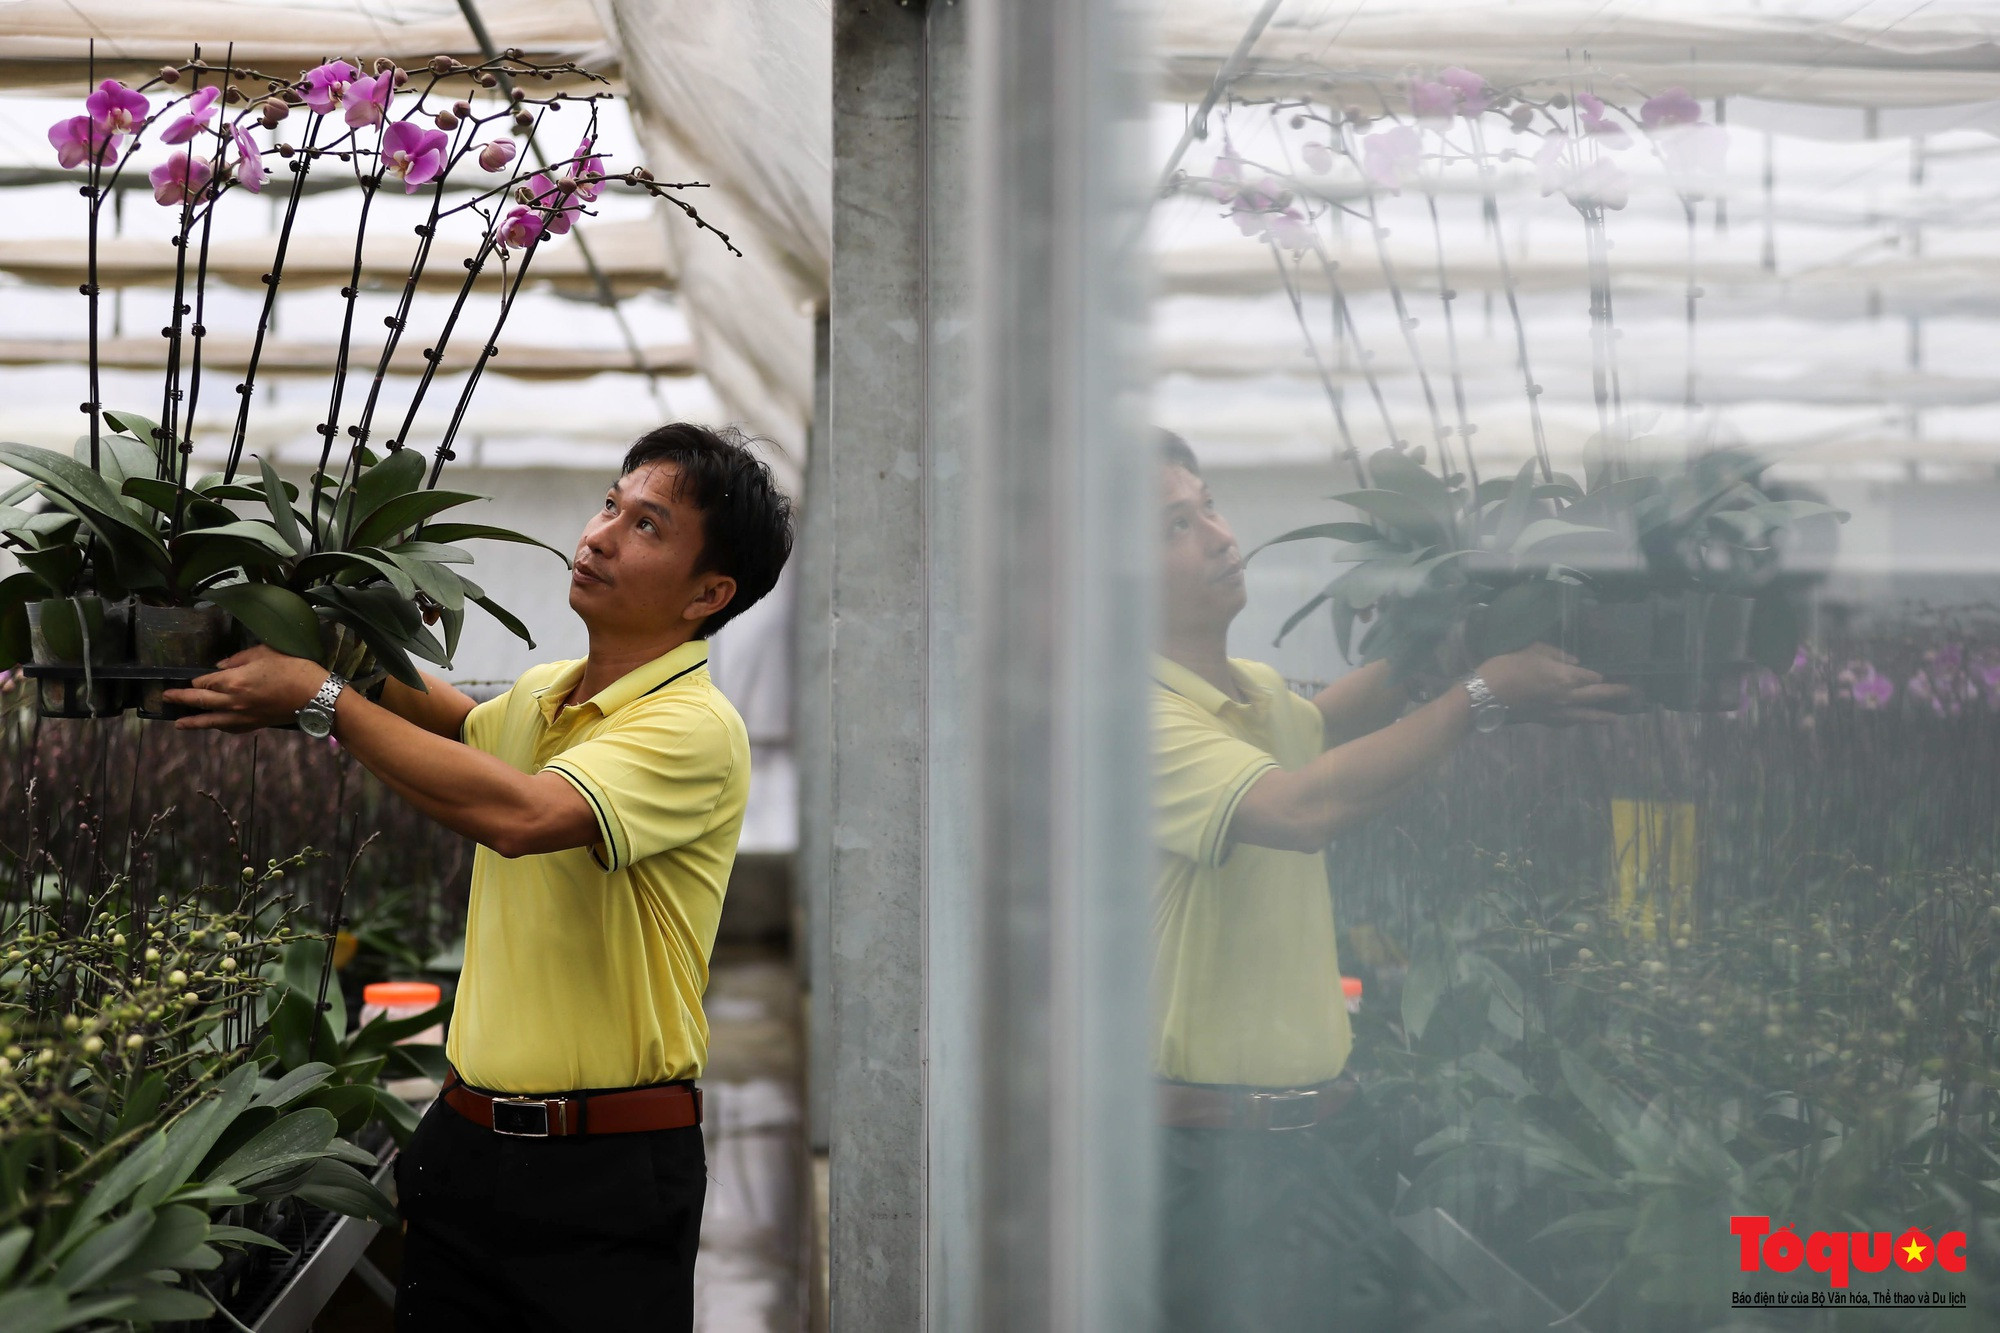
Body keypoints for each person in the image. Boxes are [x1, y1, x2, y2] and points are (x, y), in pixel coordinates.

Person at [165, 423, 795, 1333]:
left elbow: (523, 814)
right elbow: (461, 731)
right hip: (466, 1149)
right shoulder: (549, 696)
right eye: (611, 504)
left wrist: (321, 697)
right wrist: (333, 634)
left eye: (647, 525)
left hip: (602, 1175)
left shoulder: (694, 725)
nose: (601, 533)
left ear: (712, 592)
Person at [1151, 431, 1624, 1332]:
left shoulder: (1244, 694)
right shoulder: (1131, 716)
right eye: (1177, 523)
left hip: (1301, 1146)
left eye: (1208, 502)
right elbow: (1299, 806)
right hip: (1212, 1161)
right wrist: (1480, 695)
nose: (1218, 534)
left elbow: (1324, 726)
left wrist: (1443, 638)